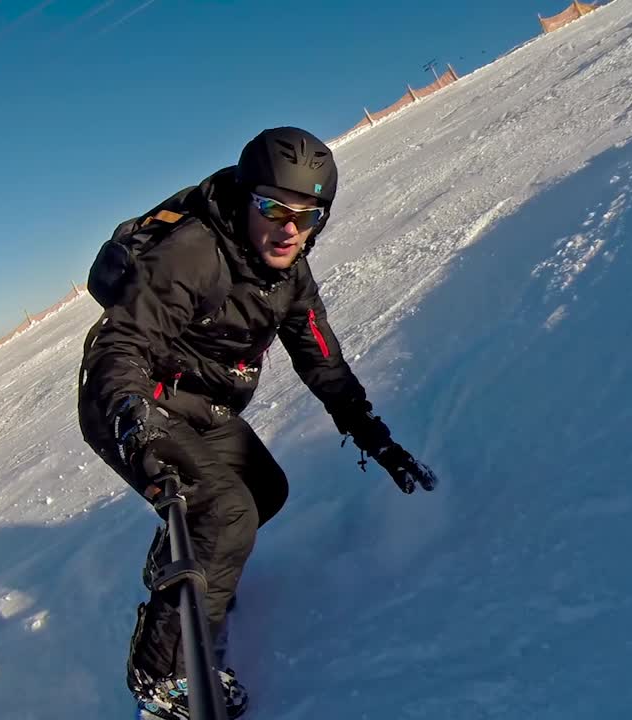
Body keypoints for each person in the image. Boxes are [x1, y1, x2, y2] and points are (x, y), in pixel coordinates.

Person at [77, 126, 438, 718]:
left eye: (307, 214)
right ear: (247, 200)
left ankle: (181, 568)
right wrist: (133, 419)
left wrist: (375, 436)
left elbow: (322, 358)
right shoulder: (193, 254)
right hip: (129, 402)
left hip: (200, 404)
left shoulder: (290, 276)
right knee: (226, 513)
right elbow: (124, 343)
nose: (289, 228)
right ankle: (161, 676)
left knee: (265, 490)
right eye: (274, 208)